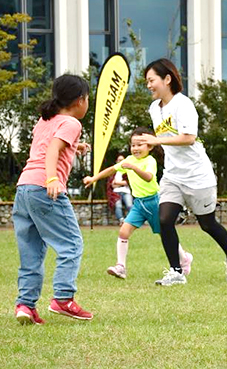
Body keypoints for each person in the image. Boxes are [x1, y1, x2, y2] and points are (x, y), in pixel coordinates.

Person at [135, 58, 227, 286]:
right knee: (164, 220)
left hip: (198, 175)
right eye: (146, 82)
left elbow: (188, 138)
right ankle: (176, 272)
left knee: (207, 224)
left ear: (167, 79)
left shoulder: (183, 104)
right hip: (173, 175)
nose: (148, 85)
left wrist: (156, 139)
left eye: (151, 80)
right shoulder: (155, 108)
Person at [13, 74, 93, 325]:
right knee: (71, 244)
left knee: (32, 252)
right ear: (80, 101)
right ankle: (63, 298)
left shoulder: (46, 119)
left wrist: (75, 147)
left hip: (24, 188)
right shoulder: (71, 123)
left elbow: (45, 145)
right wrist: (51, 179)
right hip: (45, 189)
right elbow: (52, 150)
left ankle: (25, 305)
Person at [84, 127, 193, 280]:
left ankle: (184, 259)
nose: (135, 148)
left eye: (140, 145)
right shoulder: (128, 160)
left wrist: (133, 168)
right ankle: (120, 267)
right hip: (138, 204)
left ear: (150, 146)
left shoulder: (150, 161)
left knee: (165, 234)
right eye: (133, 145)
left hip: (154, 203)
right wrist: (93, 178)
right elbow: (111, 170)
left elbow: (148, 177)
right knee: (123, 232)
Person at [110, 154, 133, 223]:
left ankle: (128, 221)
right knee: (118, 206)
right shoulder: (113, 172)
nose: (121, 161)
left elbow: (128, 182)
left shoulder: (128, 171)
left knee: (129, 205)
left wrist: (118, 183)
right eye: (119, 160)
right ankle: (121, 220)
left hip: (126, 192)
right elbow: (112, 185)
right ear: (116, 161)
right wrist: (121, 183)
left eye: (122, 160)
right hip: (116, 192)